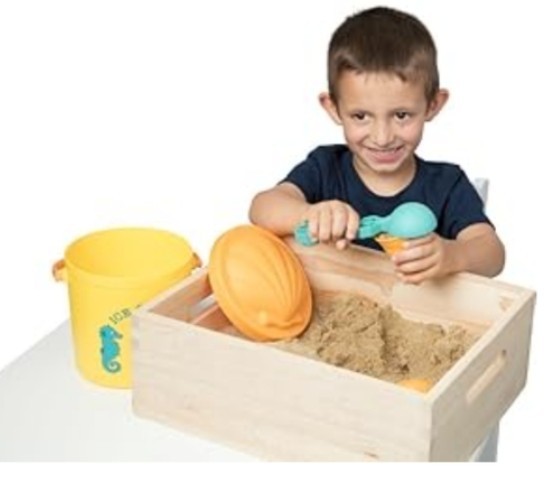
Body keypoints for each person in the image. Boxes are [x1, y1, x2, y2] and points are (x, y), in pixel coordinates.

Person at [249, 6, 505, 285]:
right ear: (333, 108)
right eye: (361, 116)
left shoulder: (447, 184)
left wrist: (452, 256)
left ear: (433, 105)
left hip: (421, 306)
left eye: (401, 115)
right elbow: (262, 207)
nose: (382, 138)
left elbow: (492, 253)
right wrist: (309, 214)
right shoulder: (325, 167)